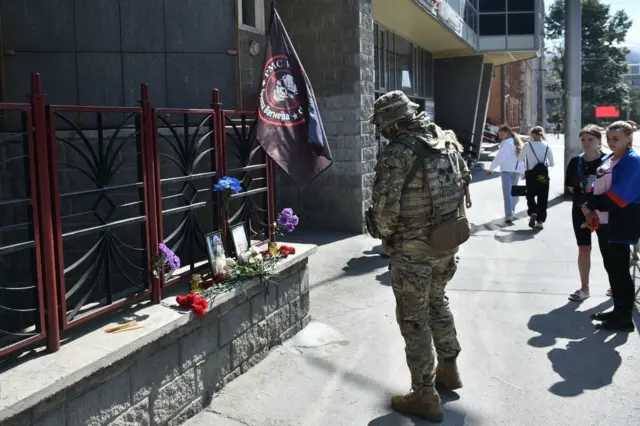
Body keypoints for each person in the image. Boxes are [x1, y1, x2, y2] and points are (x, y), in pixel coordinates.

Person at [367, 91, 471, 422]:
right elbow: (465, 182)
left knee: (413, 318)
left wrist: (378, 228)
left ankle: (424, 394)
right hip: (447, 241)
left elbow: (385, 214)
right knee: (438, 302)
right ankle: (449, 369)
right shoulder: (446, 141)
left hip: (413, 252)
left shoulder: (398, 153)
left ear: (393, 123)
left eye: (382, 125)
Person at [582, 120, 640, 332]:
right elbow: (595, 186)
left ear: (629, 139)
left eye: (616, 138)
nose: (611, 142)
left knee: (620, 270)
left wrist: (592, 205)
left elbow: (622, 196)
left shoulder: (633, 161)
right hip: (604, 219)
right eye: (609, 138)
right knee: (611, 267)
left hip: (622, 219)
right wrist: (588, 206)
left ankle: (625, 318)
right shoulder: (608, 158)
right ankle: (617, 309)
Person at [565, 125, 609, 302]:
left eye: (591, 139)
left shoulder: (608, 161)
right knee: (584, 248)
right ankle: (584, 288)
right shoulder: (576, 162)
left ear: (599, 141)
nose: (586, 143)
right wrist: (585, 209)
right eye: (583, 139)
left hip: (604, 212)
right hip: (581, 211)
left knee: (608, 249)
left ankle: (614, 285)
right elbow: (572, 188)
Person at [517, 126, 555, 229]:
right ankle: (540, 221)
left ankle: (533, 212)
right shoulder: (547, 146)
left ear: (532, 134)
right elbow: (552, 164)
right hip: (543, 176)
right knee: (543, 198)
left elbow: (520, 159)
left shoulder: (527, 145)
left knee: (530, 196)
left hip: (531, 175)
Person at [487, 124, 525, 224]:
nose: (500, 135)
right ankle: (512, 211)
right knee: (514, 192)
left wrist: (491, 168)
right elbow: (522, 158)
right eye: (499, 134)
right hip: (516, 171)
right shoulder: (517, 142)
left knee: (507, 194)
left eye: (502, 133)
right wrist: (523, 171)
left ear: (508, 133)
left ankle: (509, 215)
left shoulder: (506, 143)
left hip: (506, 171)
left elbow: (499, 157)